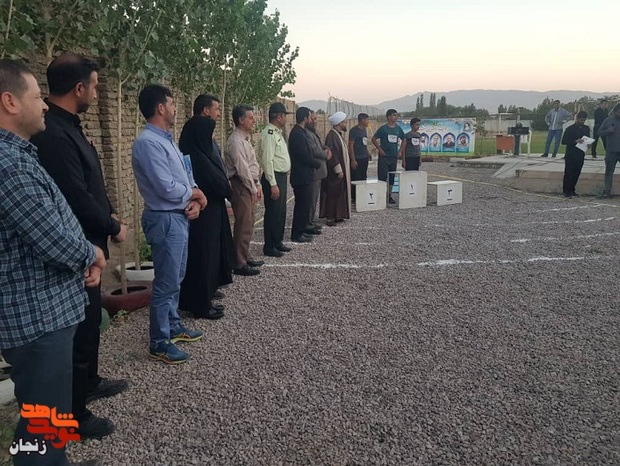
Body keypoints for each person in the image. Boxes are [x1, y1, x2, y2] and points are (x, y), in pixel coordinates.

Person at [0, 58, 106, 466]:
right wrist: (90, 253)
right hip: (36, 320)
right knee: (42, 422)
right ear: (10, 101)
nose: (44, 105)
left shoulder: (20, 155)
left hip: (46, 315)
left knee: (49, 419)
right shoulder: (8, 166)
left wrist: (84, 252)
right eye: (35, 97)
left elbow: (57, 219)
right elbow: (50, 237)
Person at [30, 53, 128, 440]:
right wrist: (111, 225)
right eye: (95, 86)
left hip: (91, 242)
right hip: (78, 246)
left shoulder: (69, 126)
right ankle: (74, 414)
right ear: (78, 88)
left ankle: (89, 382)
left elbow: (92, 183)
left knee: (89, 323)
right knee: (78, 327)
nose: (97, 92)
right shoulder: (53, 135)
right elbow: (74, 196)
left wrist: (110, 212)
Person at [132, 84, 207, 364]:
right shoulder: (148, 143)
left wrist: (195, 198)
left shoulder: (167, 141)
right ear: (161, 108)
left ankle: (173, 325)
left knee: (177, 276)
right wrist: (195, 194)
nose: (176, 109)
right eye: (172, 104)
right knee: (165, 282)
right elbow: (165, 187)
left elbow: (185, 175)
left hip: (178, 216)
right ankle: (159, 342)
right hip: (164, 219)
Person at [178, 96, 235, 320]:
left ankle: (208, 291)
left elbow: (217, 169)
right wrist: (225, 188)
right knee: (203, 254)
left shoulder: (204, 148)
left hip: (212, 206)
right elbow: (210, 177)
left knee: (214, 252)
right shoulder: (195, 153)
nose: (219, 114)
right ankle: (200, 303)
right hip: (203, 209)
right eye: (216, 109)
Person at [225, 104, 264, 275]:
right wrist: (252, 188)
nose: (254, 120)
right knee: (243, 223)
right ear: (241, 120)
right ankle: (239, 263)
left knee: (249, 221)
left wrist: (257, 184)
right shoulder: (236, 141)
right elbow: (242, 169)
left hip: (248, 184)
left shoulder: (245, 139)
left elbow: (253, 165)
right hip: (241, 185)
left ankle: (244, 256)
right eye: (250, 117)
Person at [258, 102, 292, 257]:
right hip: (274, 177)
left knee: (280, 212)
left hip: (281, 176)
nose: (285, 119)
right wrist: (273, 184)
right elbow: (267, 161)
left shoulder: (277, 133)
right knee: (273, 212)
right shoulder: (269, 134)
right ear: (278, 117)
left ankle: (277, 241)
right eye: (284, 116)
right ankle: (269, 246)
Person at [288, 107, 321, 242]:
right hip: (300, 176)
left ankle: (303, 229)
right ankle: (297, 234)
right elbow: (303, 156)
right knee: (301, 206)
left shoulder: (301, 132)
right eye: (309, 117)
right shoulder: (297, 134)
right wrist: (316, 164)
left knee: (305, 204)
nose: (311, 120)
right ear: (305, 118)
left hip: (305, 175)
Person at [321, 111, 351, 226]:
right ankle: (330, 217)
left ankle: (338, 215)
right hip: (334, 172)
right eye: (344, 122)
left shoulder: (337, 135)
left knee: (339, 192)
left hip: (340, 171)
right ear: (339, 123)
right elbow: (332, 154)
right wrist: (338, 169)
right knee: (333, 193)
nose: (346, 123)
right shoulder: (332, 136)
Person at [372, 108, 405, 204]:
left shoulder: (398, 128)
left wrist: (400, 151)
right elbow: (373, 139)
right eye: (394, 115)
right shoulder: (383, 129)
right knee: (382, 176)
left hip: (393, 156)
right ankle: (381, 195)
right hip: (384, 157)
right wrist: (380, 149)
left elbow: (404, 139)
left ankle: (389, 195)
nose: (396, 117)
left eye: (396, 115)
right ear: (388, 117)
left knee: (392, 177)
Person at [305, 111, 330, 231]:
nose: (315, 122)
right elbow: (314, 150)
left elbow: (320, 146)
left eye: (316, 119)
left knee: (314, 198)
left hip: (319, 172)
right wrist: (325, 155)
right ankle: (308, 223)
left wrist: (327, 149)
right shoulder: (306, 134)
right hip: (314, 171)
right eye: (313, 119)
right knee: (311, 199)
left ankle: (311, 221)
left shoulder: (313, 133)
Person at [561, 111, 590, 198]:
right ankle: (566, 190)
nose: (582, 122)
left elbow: (587, 138)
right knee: (569, 172)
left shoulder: (586, 128)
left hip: (580, 153)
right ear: (577, 118)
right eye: (581, 120)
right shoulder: (570, 129)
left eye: (583, 120)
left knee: (577, 172)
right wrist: (575, 141)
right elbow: (564, 141)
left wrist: (589, 144)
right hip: (571, 153)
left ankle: (572, 189)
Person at [598, 103, 620, 198]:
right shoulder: (608, 120)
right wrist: (607, 131)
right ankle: (607, 191)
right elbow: (599, 132)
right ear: (615, 112)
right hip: (611, 151)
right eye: (619, 112)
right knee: (609, 172)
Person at [348, 113, 370, 201]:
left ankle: (361, 195)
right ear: (362, 120)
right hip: (357, 158)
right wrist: (353, 160)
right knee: (356, 178)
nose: (368, 121)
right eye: (367, 120)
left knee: (363, 177)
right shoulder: (354, 131)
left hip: (364, 157)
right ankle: (354, 197)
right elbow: (351, 145)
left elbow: (364, 143)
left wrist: (367, 153)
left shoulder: (364, 130)